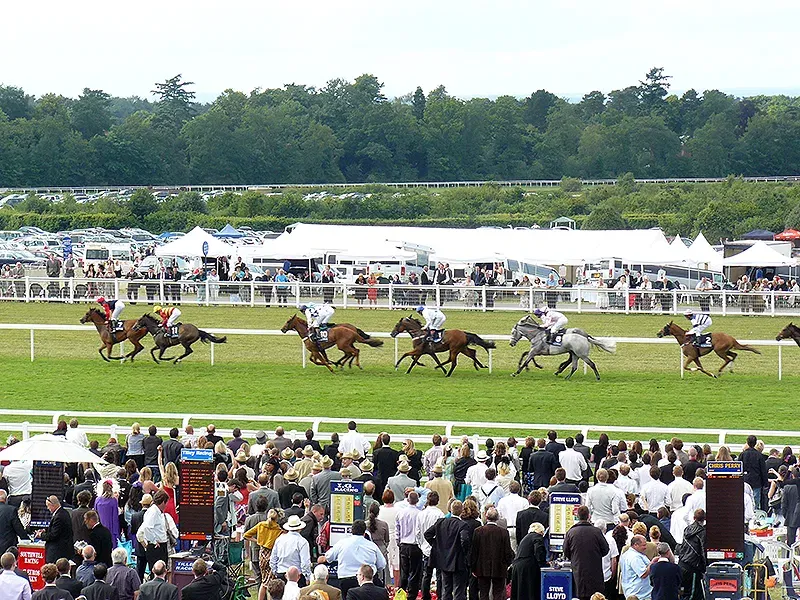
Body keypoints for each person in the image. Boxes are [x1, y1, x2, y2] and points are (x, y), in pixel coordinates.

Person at [424, 500, 471, 600]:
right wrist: (465, 552)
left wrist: (437, 546)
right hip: (457, 561)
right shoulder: (462, 525)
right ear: (462, 510)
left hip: (444, 560)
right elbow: (465, 540)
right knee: (458, 590)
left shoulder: (441, 522)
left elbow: (427, 534)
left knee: (446, 588)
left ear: (450, 509)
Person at [562, 506, 609, 600]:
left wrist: (575, 558)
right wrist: (596, 555)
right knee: (596, 595)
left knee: (581, 595)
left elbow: (566, 551)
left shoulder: (571, 532)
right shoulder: (596, 531)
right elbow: (605, 549)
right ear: (589, 516)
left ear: (577, 516)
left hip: (579, 569)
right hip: (595, 569)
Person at [471, 507, 514, 600]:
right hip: (499, 567)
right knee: (498, 593)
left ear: (486, 517)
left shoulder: (478, 531)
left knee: (483, 593)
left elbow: (474, 552)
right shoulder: (503, 532)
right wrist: (508, 564)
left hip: (482, 567)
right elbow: (507, 551)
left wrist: (473, 568)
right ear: (497, 518)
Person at [270, 515, 312, 585]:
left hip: (281, 573)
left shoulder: (280, 539)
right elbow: (305, 563)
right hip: (297, 576)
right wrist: (307, 577)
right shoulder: (302, 542)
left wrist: (275, 572)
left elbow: (273, 559)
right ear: (300, 528)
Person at [511, 522, 547, 600]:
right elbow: (539, 551)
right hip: (527, 567)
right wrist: (543, 564)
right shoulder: (537, 537)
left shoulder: (526, 538)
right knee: (530, 592)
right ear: (541, 532)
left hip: (517, 566)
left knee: (519, 592)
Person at [136, 490, 170, 572]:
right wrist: (154, 541)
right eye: (166, 503)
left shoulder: (154, 511)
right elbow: (147, 527)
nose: (166, 505)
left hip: (158, 546)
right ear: (162, 502)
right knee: (158, 571)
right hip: (157, 547)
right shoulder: (153, 512)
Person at [677, 509, 706, 600]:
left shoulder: (687, 529)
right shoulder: (702, 533)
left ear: (694, 518)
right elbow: (703, 551)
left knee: (685, 592)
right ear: (704, 519)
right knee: (692, 594)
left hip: (682, 563)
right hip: (693, 567)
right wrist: (705, 567)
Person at [38, 496, 73, 564]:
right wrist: (46, 530)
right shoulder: (64, 512)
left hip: (57, 552)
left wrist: (41, 535)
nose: (48, 508)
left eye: (48, 506)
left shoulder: (59, 517)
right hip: (62, 550)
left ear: (53, 505)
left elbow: (54, 535)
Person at [618, 535, 654, 600]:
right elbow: (643, 574)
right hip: (640, 594)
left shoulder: (626, 554)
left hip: (631, 591)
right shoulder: (635, 557)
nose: (645, 547)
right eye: (643, 545)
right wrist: (653, 563)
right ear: (635, 545)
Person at [0, 490, 27, 555]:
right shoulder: (11, 510)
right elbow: (18, 528)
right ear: (6, 499)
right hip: (7, 549)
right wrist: (27, 539)